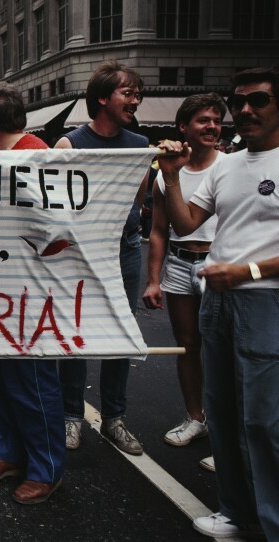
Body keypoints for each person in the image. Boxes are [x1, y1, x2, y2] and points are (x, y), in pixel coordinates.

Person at [158, 67, 279, 541]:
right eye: (239, 101)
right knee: (224, 412)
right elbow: (186, 224)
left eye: (259, 100)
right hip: (219, 300)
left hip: (264, 301)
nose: (245, 110)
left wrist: (245, 272)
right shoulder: (227, 164)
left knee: (263, 421)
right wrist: (170, 179)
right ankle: (235, 512)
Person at [0, 81, 65, 505]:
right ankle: (11, 454)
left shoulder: (33, 156)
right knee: (2, 381)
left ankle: (46, 468)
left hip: (29, 295)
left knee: (33, 383)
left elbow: (56, 232)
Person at [55, 60, 149, 456]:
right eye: (127, 92)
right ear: (101, 98)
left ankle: (114, 419)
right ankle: (71, 418)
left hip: (123, 249)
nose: (136, 99)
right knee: (74, 332)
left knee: (119, 333)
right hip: (80, 252)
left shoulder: (142, 146)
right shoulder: (69, 145)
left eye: (136, 93)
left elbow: (138, 201)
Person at [142, 94, 227, 470]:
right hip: (179, 262)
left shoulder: (230, 167)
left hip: (219, 264)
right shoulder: (167, 171)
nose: (211, 126)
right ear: (183, 127)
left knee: (223, 348)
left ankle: (228, 435)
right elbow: (159, 230)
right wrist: (153, 280)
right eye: (203, 121)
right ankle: (196, 418)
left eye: (216, 120)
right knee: (187, 344)